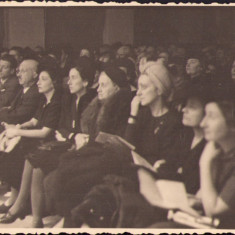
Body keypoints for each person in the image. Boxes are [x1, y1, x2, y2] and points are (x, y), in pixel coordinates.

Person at [43, 66, 132, 227]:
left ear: (117, 88)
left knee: (67, 180)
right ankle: (68, 219)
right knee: (59, 174)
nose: (98, 89)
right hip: (94, 154)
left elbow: (120, 145)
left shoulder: (122, 108)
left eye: (104, 85)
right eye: (98, 84)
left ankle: (70, 222)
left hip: (111, 161)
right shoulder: (96, 106)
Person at [151, 84, 235, 229]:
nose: (203, 123)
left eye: (212, 116)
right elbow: (204, 196)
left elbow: (213, 210)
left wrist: (205, 162)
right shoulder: (221, 154)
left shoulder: (212, 156)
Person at [0, 62, 61, 226]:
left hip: (50, 143)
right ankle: (18, 204)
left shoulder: (55, 102)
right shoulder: (44, 99)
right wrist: (19, 127)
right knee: (22, 152)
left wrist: (17, 131)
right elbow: (34, 120)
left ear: (53, 82)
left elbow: (45, 132)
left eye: (43, 79)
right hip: (42, 141)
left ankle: (26, 211)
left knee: (28, 156)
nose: (39, 83)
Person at [125, 61, 182, 176]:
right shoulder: (141, 114)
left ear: (159, 90)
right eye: (138, 87)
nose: (138, 93)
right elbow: (126, 149)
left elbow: (166, 163)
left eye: (144, 87)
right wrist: (132, 116)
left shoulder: (173, 121)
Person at [0, 59, 41, 127]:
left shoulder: (34, 93)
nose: (18, 75)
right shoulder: (23, 88)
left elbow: (17, 116)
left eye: (23, 71)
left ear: (35, 74)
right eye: (19, 71)